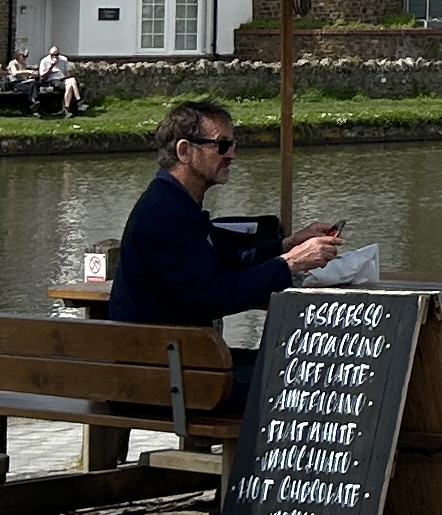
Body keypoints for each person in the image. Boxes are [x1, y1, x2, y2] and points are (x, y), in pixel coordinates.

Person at [106, 99, 341, 345]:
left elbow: (223, 258)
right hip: (170, 370)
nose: (232, 155)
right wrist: (290, 263)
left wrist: (287, 246)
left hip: (176, 359)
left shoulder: (175, 203)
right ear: (185, 151)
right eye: (222, 145)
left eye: (232, 145)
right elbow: (213, 294)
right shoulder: (162, 213)